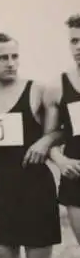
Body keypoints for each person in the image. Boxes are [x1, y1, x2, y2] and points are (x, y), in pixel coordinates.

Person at [0, 33, 62, 258]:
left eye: (15, 57)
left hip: (34, 185)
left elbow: (64, 128)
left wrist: (46, 140)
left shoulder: (38, 90)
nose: (11, 63)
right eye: (2, 58)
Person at [45, 14, 80, 244]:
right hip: (76, 174)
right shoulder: (58, 86)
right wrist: (61, 160)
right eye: (74, 41)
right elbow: (48, 139)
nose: (78, 47)